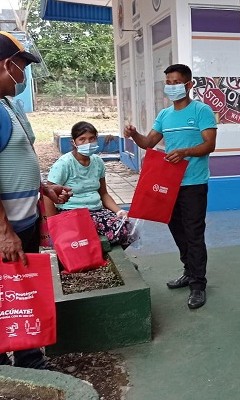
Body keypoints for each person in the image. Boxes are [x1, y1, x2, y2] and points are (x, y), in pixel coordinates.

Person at [0, 31, 72, 368]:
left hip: (23, 222)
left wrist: (43, 188)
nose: (24, 75)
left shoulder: (7, 105)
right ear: (6, 65)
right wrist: (4, 232)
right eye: (22, 66)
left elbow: (15, 162)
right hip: (7, 231)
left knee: (22, 290)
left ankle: (29, 358)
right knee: (4, 295)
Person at [124, 64, 217, 309]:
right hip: (169, 185)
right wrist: (134, 134)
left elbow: (209, 145)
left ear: (188, 85)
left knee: (194, 233)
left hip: (194, 184)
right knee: (177, 230)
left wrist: (185, 152)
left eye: (176, 82)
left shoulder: (201, 111)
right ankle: (189, 270)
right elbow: (148, 143)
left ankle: (198, 284)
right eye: (168, 82)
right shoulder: (164, 115)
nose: (171, 86)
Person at [45, 121, 131, 246]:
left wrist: (119, 211)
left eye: (92, 139)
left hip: (97, 211)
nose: (88, 143)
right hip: (72, 213)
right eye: (82, 139)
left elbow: (104, 194)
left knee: (124, 228)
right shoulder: (64, 164)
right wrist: (54, 224)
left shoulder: (98, 162)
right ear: (73, 142)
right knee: (83, 239)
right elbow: (48, 193)